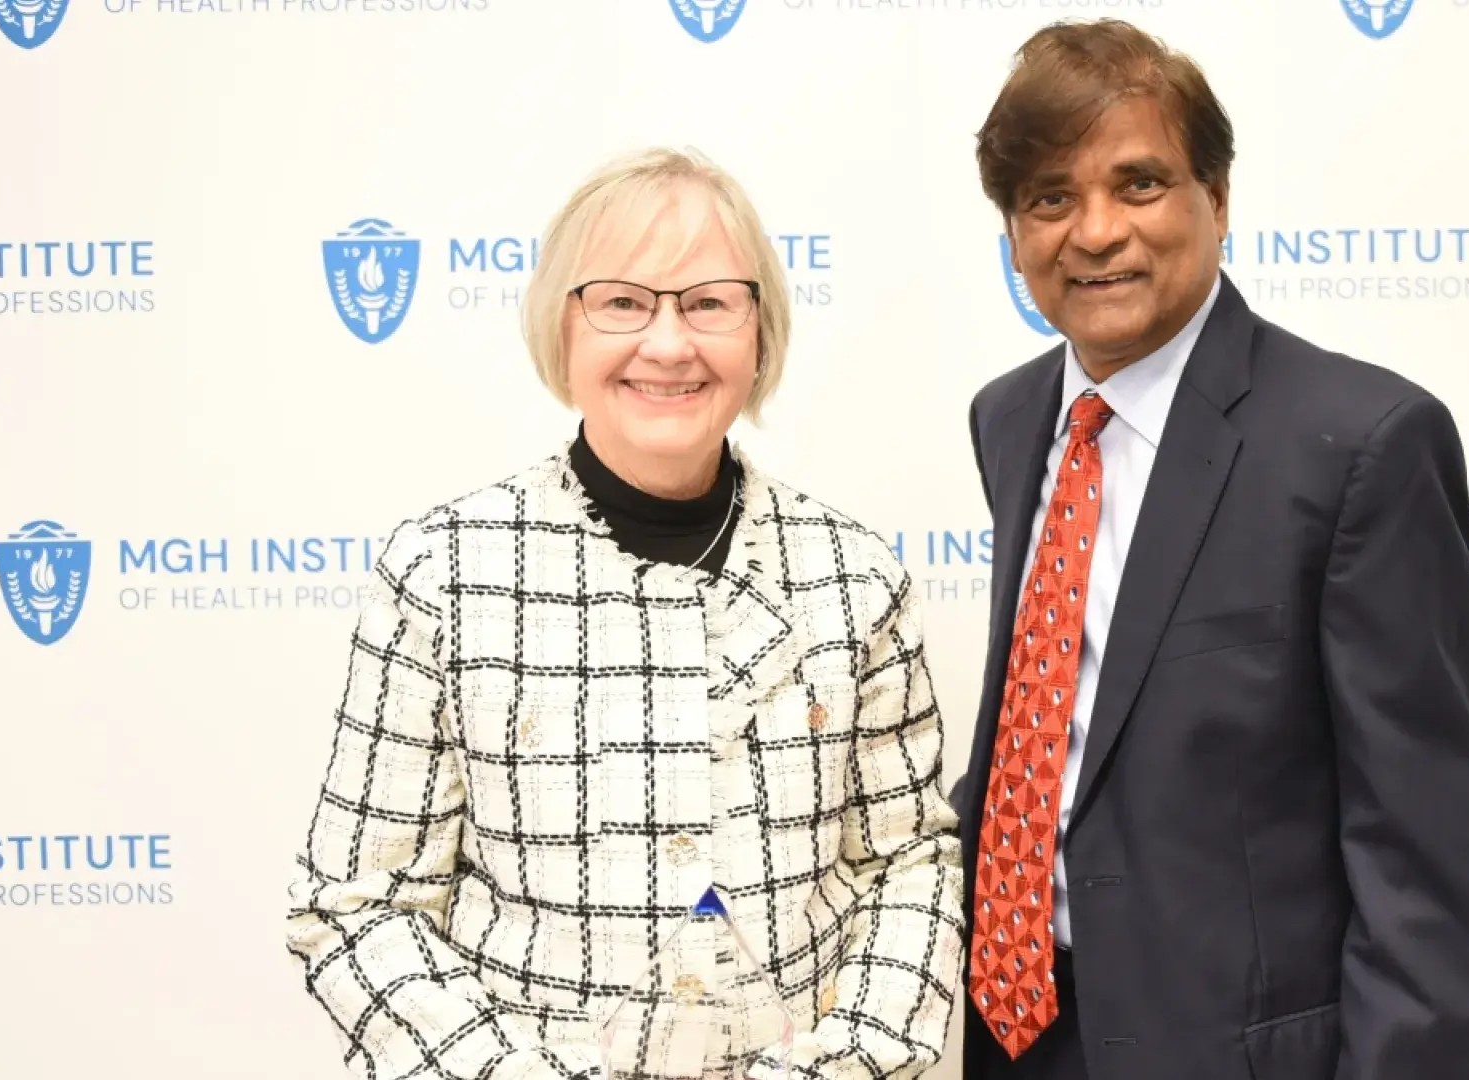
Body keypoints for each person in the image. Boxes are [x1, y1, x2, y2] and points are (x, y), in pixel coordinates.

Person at [283, 147, 965, 1080]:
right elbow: (359, 907)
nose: (669, 343)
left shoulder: (853, 576)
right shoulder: (443, 571)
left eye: (709, 302)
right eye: (623, 302)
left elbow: (910, 868)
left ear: (759, 333)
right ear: (559, 330)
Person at [952, 20, 1469, 1080]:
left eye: (1141, 183)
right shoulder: (1011, 421)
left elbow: (1427, 883)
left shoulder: (1364, 447)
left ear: (1219, 198)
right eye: (1050, 199)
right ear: (1015, 232)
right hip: (1020, 1042)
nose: (1096, 232)